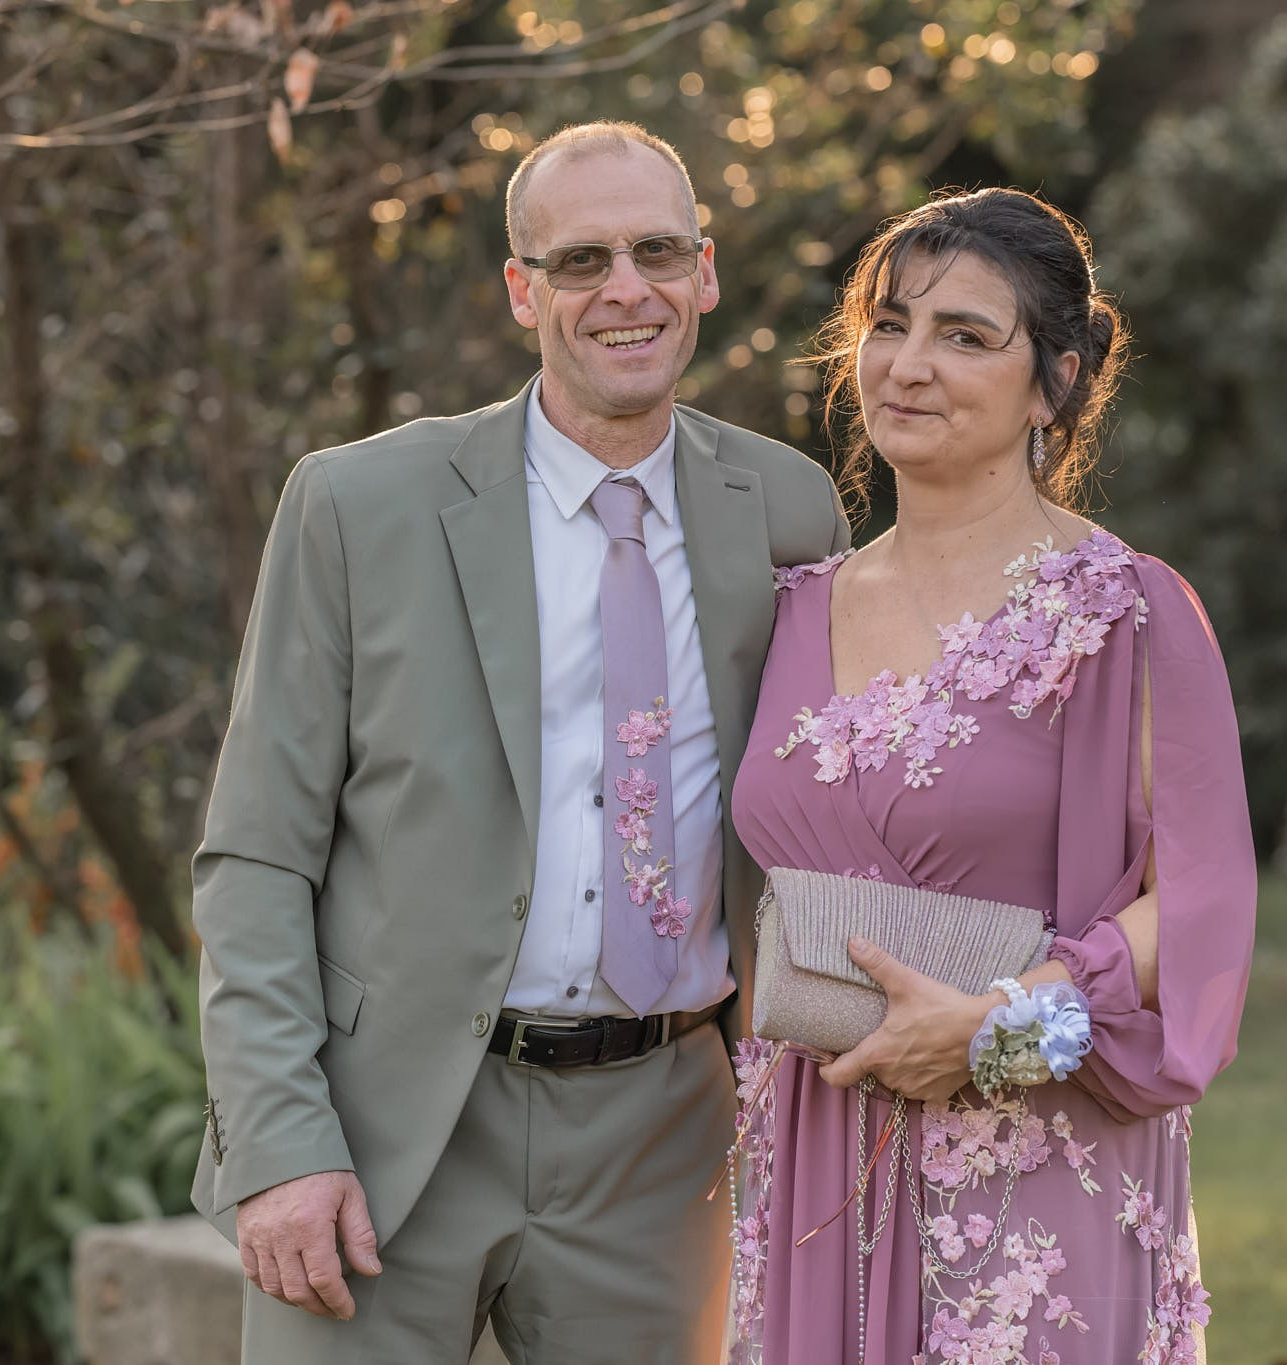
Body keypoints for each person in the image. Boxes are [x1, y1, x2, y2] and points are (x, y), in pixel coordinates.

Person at [189, 120, 850, 1364]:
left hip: (662, 1142)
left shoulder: (785, 508)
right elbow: (257, 854)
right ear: (520, 290)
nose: (626, 291)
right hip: (386, 1128)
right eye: (581, 261)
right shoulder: (356, 506)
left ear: (704, 272)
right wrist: (277, 1145)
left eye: (657, 252)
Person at [726, 188, 1256, 1364]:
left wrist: (995, 1035)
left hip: (1034, 1175)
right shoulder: (789, 607)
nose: (908, 364)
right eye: (889, 324)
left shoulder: (1123, 611)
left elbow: (1204, 905)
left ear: (1052, 383)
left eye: (964, 335)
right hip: (815, 1154)